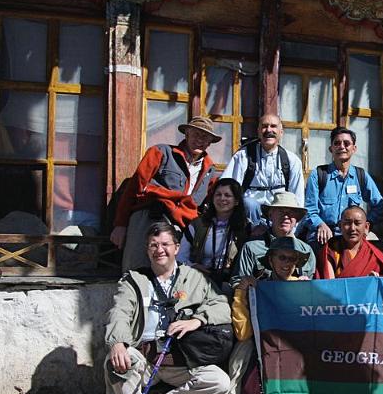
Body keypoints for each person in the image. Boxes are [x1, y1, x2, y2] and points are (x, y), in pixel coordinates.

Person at [104, 222, 231, 394]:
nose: (159, 250)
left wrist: (197, 320)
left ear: (176, 248)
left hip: (181, 360)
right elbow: (119, 312)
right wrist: (118, 342)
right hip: (146, 360)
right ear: (147, 249)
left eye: (165, 244)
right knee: (116, 362)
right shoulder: (134, 280)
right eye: (153, 245)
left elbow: (221, 305)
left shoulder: (194, 278)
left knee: (219, 381)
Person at [221, 236, 312, 394]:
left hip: (291, 347)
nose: (287, 264)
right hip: (260, 345)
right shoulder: (255, 287)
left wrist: (307, 293)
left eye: (292, 259)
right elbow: (243, 332)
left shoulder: (303, 287)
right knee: (242, 351)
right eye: (282, 258)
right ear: (270, 260)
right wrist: (242, 292)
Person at [110, 117, 221, 271]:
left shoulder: (210, 170)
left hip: (183, 225)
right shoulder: (160, 152)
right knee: (137, 269)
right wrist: (120, 225)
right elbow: (134, 188)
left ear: (210, 143)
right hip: (149, 215)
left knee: (171, 272)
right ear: (186, 134)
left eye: (205, 137)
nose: (200, 140)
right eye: (196, 134)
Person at [304, 127, 383, 250]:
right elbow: (309, 209)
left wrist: (364, 225)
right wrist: (319, 224)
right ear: (331, 148)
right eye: (337, 143)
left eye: (346, 143)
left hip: (352, 236)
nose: (342, 147)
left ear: (354, 149)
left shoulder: (360, 175)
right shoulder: (318, 174)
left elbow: (379, 205)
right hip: (323, 236)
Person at [221, 114, 304, 226]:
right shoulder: (243, 156)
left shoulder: (292, 161)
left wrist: (292, 230)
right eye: (264, 126)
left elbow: (297, 198)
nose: (269, 130)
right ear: (259, 131)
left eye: (273, 126)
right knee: (249, 203)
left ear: (281, 132)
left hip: (279, 217)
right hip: (249, 218)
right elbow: (228, 188)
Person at [177, 178, 248, 292]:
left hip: (229, 283)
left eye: (227, 195)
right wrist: (192, 266)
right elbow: (180, 257)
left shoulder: (245, 228)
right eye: (218, 194)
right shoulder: (198, 225)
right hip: (198, 278)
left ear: (236, 201)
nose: (222, 198)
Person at [229, 191, 316, 283]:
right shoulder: (251, 248)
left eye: (291, 212)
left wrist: (306, 284)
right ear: (270, 215)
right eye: (281, 211)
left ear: (297, 219)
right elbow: (237, 282)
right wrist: (247, 284)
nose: (286, 216)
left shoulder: (306, 250)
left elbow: (311, 285)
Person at [315, 206, 383, 279]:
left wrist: (372, 281)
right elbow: (328, 284)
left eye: (357, 223)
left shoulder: (375, 256)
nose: (352, 228)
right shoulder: (331, 249)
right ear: (340, 226)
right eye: (347, 223)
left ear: (366, 227)